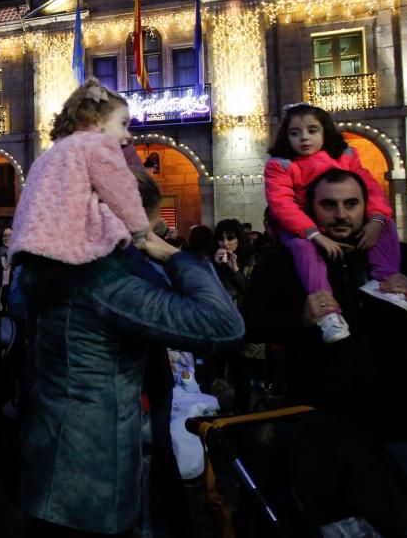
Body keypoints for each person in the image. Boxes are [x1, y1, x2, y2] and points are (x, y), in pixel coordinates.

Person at [14, 168, 244, 536]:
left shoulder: (56, 263)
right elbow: (224, 325)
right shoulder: (107, 283)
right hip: (97, 466)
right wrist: (171, 254)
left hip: (58, 451)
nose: (147, 242)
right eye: (146, 229)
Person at [245, 169, 407, 477]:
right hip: (318, 417)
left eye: (351, 204)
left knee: (397, 515)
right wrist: (298, 319)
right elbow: (253, 323)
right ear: (310, 208)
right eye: (329, 205)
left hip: (395, 419)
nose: (341, 214)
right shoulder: (282, 261)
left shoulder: (403, 258)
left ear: (367, 206)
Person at [264, 103, 407, 344]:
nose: (304, 138)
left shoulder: (345, 157)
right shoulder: (281, 166)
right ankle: (326, 309)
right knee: (303, 248)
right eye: (295, 133)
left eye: (312, 130)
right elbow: (282, 205)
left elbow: (371, 189)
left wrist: (376, 219)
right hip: (300, 228)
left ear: (325, 131)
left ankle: (383, 281)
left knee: (385, 224)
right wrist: (313, 234)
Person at [7, 77, 151, 268]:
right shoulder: (97, 145)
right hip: (77, 255)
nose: (128, 134)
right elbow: (121, 191)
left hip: (33, 255)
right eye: (123, 124)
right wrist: (140, 230)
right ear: (97, 121)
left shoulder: (47, 156)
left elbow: (26, 205)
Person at [212, 219, 263, 412]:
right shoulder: (212, 261)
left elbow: (253, 292)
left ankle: (241, 418)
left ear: (239, 239)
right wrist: (215, 269)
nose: (225, 243)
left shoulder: (252, 260)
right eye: (221, 239)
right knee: (217, 373)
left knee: (242, 376)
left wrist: (235, 271)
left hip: (244, 326)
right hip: (219, 326)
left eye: (230, 238)